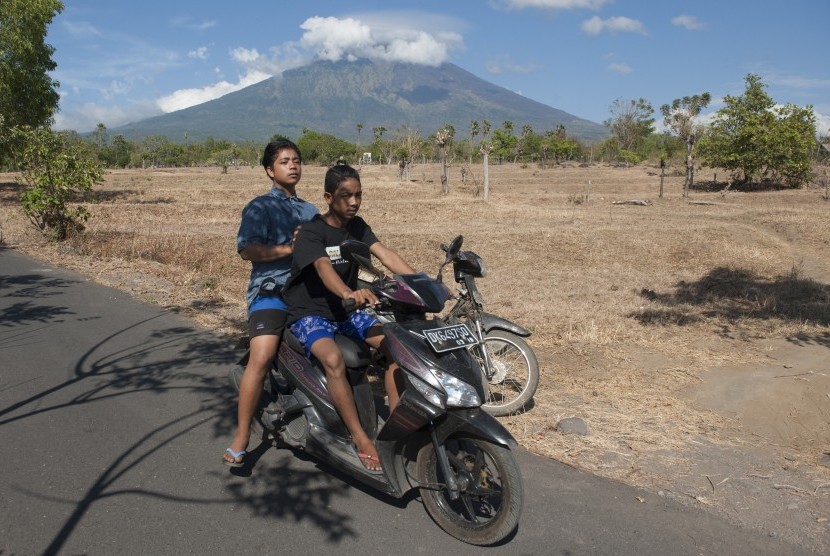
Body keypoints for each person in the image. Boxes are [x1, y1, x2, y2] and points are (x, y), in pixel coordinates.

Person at [282, 162, 415, 473]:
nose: (353, 202)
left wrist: (423, 282)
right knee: (332, 359)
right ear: (329, 197)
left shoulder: (357, 227)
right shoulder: (312, 233)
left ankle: (396, 430)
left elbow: (386, 254)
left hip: (345, 310)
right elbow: (323, 268)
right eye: (345, 196)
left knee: (400, 349)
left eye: (358, 195)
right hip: (310, 311)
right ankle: (360, 437)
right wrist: (347, 292)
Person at [223, 139, 318, 467]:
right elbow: (248, 251)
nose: (293, 165)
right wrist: (289, 250)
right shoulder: (260, 207)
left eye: (297, 160)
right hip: (271, 293)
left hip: (308, 295)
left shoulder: (311, 211)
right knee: (261, 357)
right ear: (269, 170)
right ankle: (242, 435)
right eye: (284, 161)